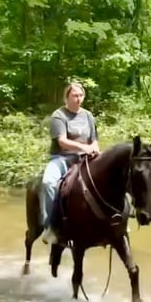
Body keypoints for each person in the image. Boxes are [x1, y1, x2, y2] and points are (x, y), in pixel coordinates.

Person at [39, 78, 100, 244]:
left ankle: (116, 217)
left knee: (112, 174)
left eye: (81, 95)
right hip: (62, 158)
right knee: (48, 183)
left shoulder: (88, 116)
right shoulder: (59, 116)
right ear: (67, 98)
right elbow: (62, 142)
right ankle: (50, 226)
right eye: (75, 95)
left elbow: (94, 140)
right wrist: (84, 147)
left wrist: (94, 148)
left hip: (85, 158)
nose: (78, 98)